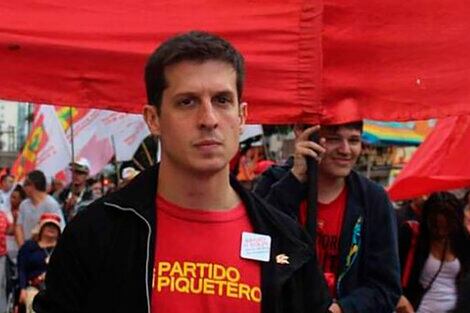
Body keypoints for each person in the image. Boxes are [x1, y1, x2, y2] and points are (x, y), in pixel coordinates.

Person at [33, 31, 331, 313]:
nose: (209, 119)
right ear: (153, 119)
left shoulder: (287, 242)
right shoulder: (96, 234)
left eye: (222, 100)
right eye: (187, 102)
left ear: (242, 117)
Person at [254, 122, 401, 313]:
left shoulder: (373, 200)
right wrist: (294, 181)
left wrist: (341, 309)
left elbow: (386, 288)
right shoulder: (274, 183)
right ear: (304, 135)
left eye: (354, 140)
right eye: (333, 139)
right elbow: (255, 247)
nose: (346, 150)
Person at [396, 192, 470, 313]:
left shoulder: (462, 241)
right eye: (436, 226)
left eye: (446, 227)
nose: (441, 232)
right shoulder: (412, 237)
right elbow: (391, 275)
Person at [18, 213, 62, 313]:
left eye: (54, 226)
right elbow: (22, 269)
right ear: (41, 229)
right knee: (33, 303)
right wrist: (22, 289)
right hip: (33, 286)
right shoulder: (28, 247)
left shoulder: (63, 249)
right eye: (48, 226)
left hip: (57, 288)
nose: (51, 228)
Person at [15, 171, 65, 247]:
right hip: (27, 249)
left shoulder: (51, 204)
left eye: (25, 185)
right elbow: (19, 226)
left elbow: (60, 228)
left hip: (45, 250)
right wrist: (23, 248)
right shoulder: (24, 205)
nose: (23, 188)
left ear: (32, 186)